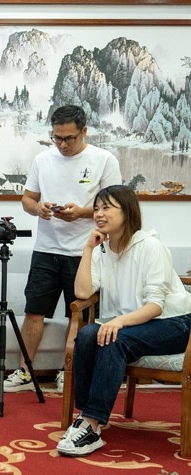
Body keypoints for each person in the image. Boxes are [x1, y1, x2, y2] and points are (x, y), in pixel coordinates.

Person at [58, 185, 191, 456]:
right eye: (97, 208)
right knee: (87, 334)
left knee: (113, 338)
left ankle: (91, 422)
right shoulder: (102, 249)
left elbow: (155, 306)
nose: (99, 213)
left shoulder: (151, 246)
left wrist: (119, 322)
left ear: (127, 211)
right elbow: (82, 292)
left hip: (175, 323)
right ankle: (87, 417)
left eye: (107, 208)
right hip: (135, 325)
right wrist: (87, 248)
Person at [4, 104, 122, 393]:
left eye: (69, 138)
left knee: (77, 314)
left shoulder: (104, 159)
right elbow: (27, 199)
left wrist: (82, 212)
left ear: (84, 131)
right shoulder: (43, 159)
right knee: (34, 311)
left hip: (86, 251)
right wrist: (39, 209)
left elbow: (115, 205)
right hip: (46, 248)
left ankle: (69, 372)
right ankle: (25, 371)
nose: (63, 144)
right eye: (57, 137)